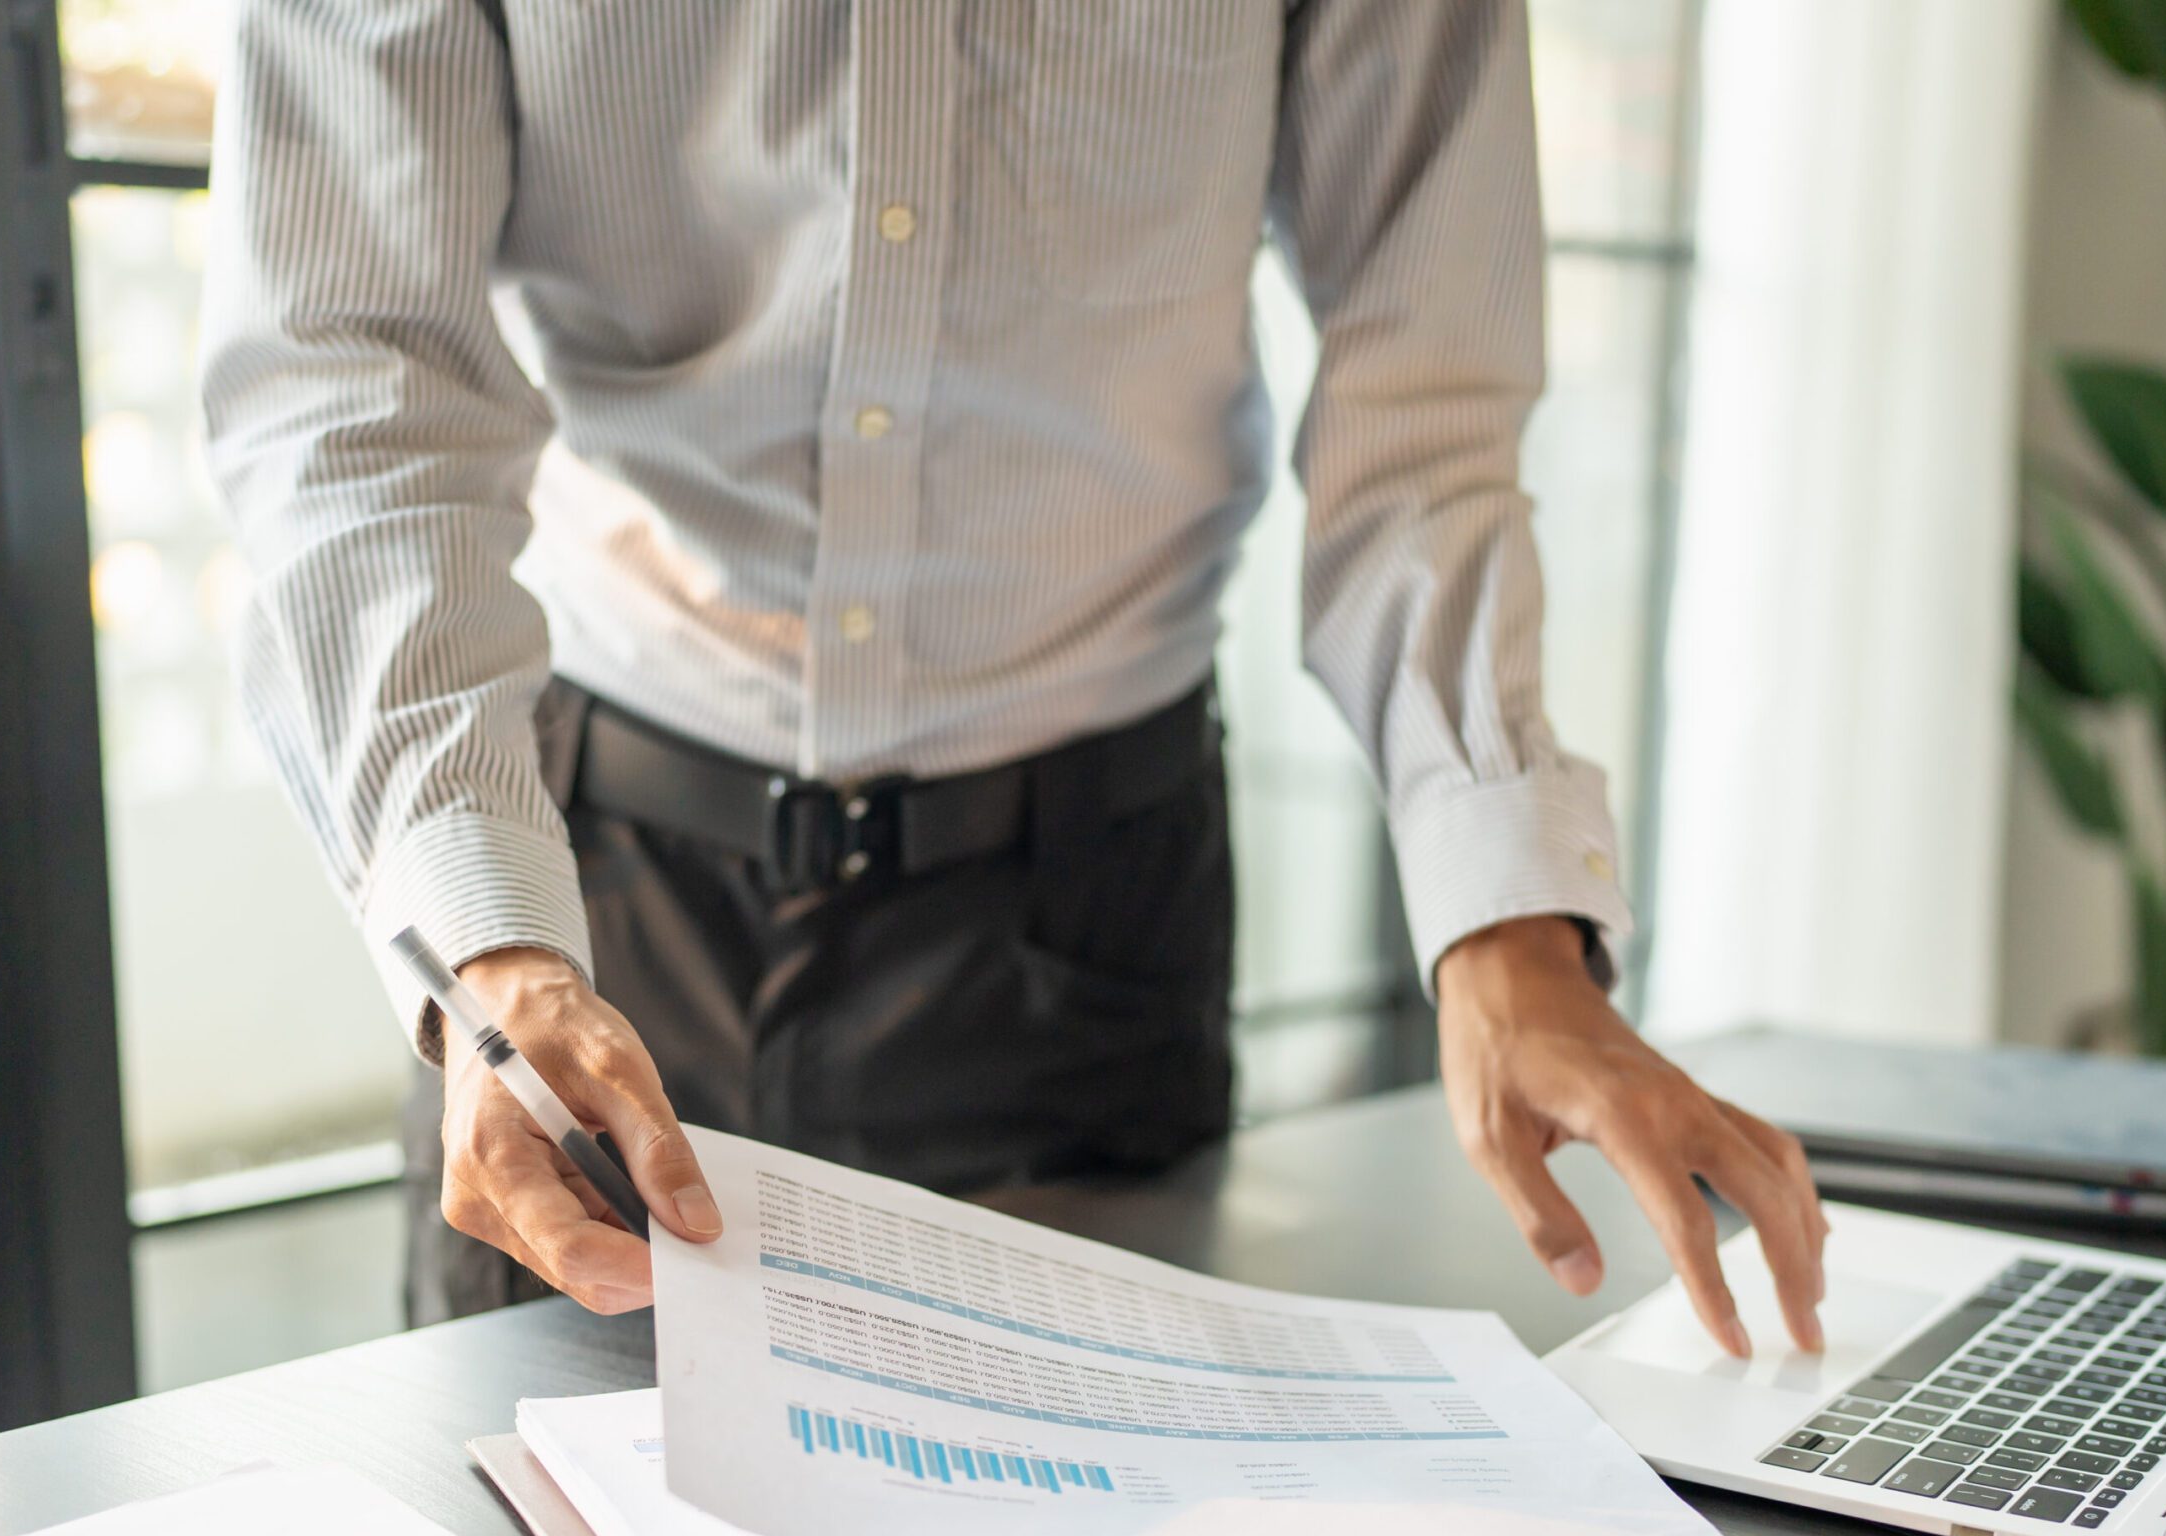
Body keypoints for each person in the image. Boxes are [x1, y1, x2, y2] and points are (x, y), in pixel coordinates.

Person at [201, 0, 1826, 1358]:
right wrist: (484, 942)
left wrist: (1511, 927)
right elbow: (348, 385)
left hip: (1083, 923)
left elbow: (1428, 399)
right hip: (580, 910)